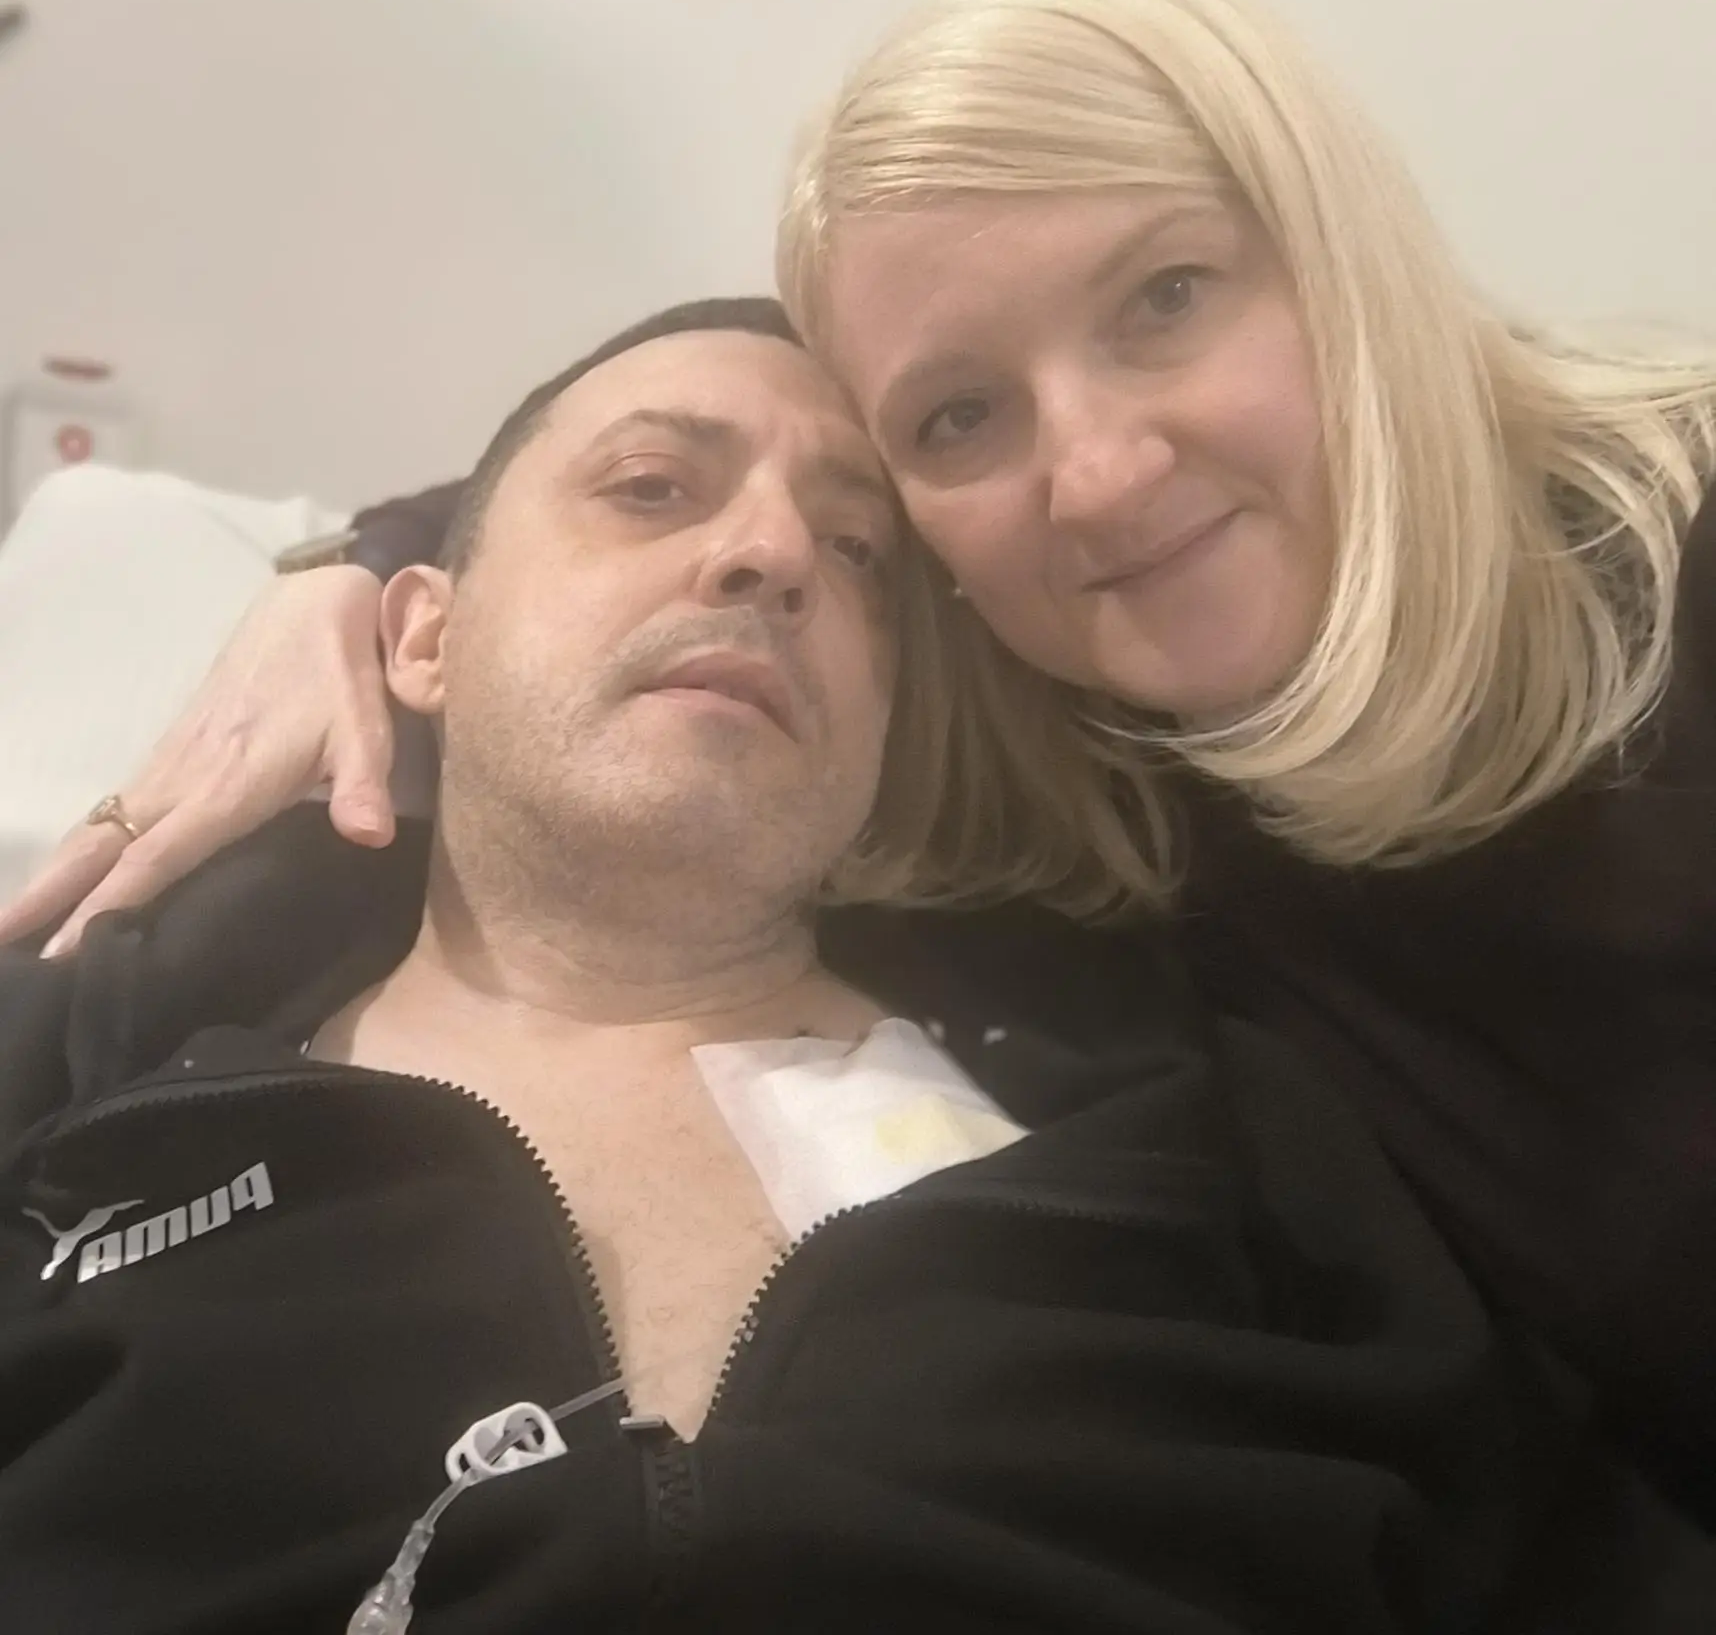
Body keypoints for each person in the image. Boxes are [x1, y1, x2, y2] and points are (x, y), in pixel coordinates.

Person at [4, 0, 1714, 1531]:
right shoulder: (1089, 755)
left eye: (1167, 295)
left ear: (1338, 255)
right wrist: (339, 576)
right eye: (961, 414)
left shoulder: (1663, 565)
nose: (1097, 472)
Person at [0, 297, 1567, 1632]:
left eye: (860, 549)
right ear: (423, 638)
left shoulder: (1194, 1120)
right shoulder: (85, 1082)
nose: (771, 556)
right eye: (650, 488)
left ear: (891, 717)